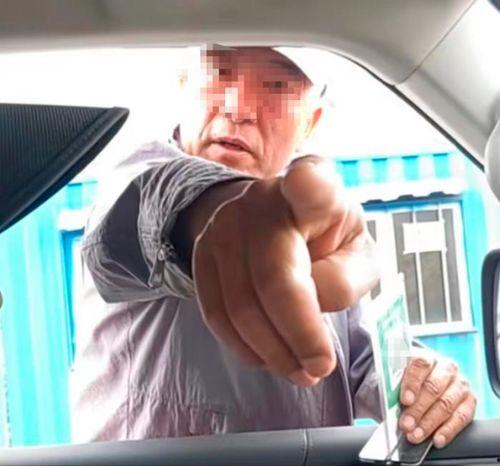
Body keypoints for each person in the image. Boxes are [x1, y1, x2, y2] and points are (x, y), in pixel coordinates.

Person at [71, 46, 476, 448]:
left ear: (310, 123)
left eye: (276, 85)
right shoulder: (132, 183)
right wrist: (223, 213)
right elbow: (145, 216)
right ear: (184, 86)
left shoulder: (311, 218)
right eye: (220, 72)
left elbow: (362, 359)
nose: (237, 108)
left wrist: (423, 380)